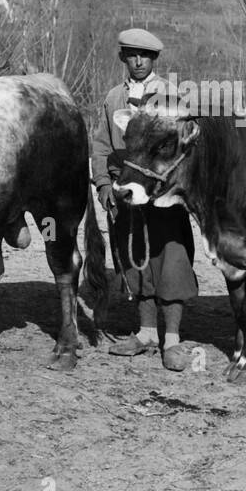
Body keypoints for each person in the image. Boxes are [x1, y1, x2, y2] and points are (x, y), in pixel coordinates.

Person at [90, 29, 199, 372]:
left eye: (145, 56)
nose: (139, 62)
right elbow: (102, 145)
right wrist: (104, 184)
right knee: (135, 261)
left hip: (164, 196)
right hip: (127, 195)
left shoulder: (172, 96)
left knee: (172, 262)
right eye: (132, 55)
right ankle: (147, 333)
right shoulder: (112, 98)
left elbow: (185, 149)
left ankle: (172, 342)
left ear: (154, 60)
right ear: (123, 58)